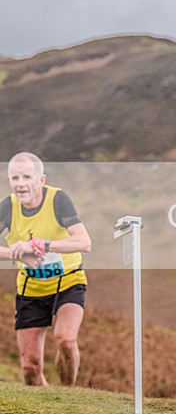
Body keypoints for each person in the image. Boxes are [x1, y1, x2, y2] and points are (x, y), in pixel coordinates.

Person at [0, 152, 92, 386]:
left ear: (41, 180)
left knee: (66, 340)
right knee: (30, 368)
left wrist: (43, 245)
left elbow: (84, 243)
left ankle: (67, 395)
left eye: (27, 177)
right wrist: (16, 253)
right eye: (15, 178)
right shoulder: (8, 207)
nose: (21, 184)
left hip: (68, 282)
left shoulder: (58, 200)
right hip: (31, 289)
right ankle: (49, 404)